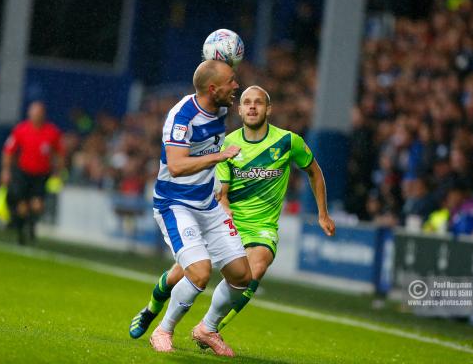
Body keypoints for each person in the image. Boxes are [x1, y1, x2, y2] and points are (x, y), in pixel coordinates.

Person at [130, 85, 335, 342]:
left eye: (258, 102)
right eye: (247, 102)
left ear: (268, 109)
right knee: (181, 274)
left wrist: (322, 214)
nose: (252, 107)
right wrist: (225, 210)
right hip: (225, 220)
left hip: (261, 226)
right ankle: (151, 309)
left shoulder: (288, 141)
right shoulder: (227, 144)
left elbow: (314, 171)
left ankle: (209, 328)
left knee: (255, 268)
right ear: (239, 110)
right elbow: (222, 193)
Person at [146, 60, 251, 357]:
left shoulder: (220, 107)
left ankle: (207, 328)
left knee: (241, 276)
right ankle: (163, 329)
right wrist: (219, 157)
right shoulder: (182, 116)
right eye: (231, 82)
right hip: (175, 205)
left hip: (208, 205)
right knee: (200, 272)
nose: (236, 86)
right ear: (213, 89)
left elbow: (213, 71)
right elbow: (177, 166)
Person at [0, 101, 64, 244]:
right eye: (33, 113)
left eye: (38, 113)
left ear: (43, 114)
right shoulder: (21, 130)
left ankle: (31, 225)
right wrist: (6, 170)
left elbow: (59, 153)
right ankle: (21, 232)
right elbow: (8, 150)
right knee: (22, 206)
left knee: (37, 205)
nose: (35, 116)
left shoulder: (52, 132)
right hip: (23, 172)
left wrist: (57, 172)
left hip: (41, 174)